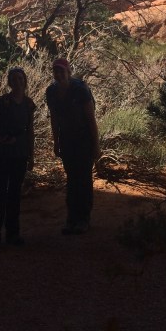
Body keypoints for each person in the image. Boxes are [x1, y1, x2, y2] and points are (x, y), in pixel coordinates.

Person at [46, 58, 100, 235]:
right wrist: (56, 142)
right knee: (72, 180)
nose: (59, 74)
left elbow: (91, 119)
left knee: (83, 179)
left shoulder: (80, 89)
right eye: (56, 71)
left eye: (62, 71)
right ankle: (72, 219)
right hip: (67, 140)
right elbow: (54, 118)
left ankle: (83, 219)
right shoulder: (51, 91)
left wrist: (96, 145)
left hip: (84, 140)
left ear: (68, 72)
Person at [0, 66, 36, 251]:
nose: (18, 82)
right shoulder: (3, 102)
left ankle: (13, 233)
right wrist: (1, 139)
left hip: (20, 153)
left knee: (15, 193)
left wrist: (32, 155)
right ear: (9, 82)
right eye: (14, 79)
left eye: (20, 79)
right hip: (2, 153)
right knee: (0, 193)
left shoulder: (29, 104)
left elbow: (30, 131)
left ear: (25, 81)